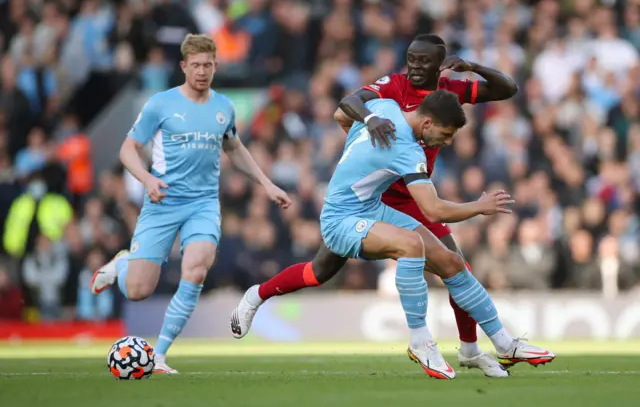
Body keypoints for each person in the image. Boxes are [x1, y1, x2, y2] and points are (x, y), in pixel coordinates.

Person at [230, 34, 530, 377]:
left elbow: (507, 90)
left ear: (438, 66)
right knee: (352, 262)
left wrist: (363, 148)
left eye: (424, 61)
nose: (415, 66)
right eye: (411, 59)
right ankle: (420, 341)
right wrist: (479, 206)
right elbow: (346, 110)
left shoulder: (415, 102)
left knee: (451, 262)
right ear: (430, 123)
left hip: (390, 199)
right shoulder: (400, 115)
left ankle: (485, 346)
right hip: (365, 205)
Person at [90, 34, 292, 374]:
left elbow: (235, 149)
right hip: (163, 203)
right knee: (138, 290)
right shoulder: (160, 104)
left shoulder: (223, 107)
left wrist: (267, 183)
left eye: (208, 65)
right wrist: (148, 179)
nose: (202, 71)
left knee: (196, 268)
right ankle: (121, 266)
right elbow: (127, 150)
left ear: (215, 66)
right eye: (196, 65)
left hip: (203, 205)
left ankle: (160, 355)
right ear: (184, 66)